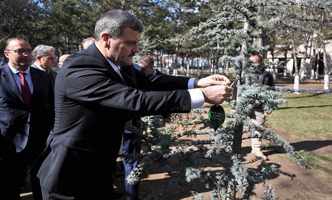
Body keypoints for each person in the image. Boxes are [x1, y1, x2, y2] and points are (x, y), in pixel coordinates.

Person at [37, 9, 232, 200]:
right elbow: (135, 99)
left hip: (101, 167)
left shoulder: (121, 63)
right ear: (106, 39)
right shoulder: (79, 67)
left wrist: (197, 83)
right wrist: (202, 96)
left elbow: (151, 82)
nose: (137, 49)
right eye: (131, 42)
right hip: (71, 172)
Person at [0, 38, 55, 200]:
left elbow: (52, 105)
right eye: (20, 51)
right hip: (9, 142)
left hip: (41, 140)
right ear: (7, 53)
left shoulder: (44, 76)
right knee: (9, 186)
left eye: (29, 50)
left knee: (43, 184)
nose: (26, 54)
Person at [231, 55, 274, 160]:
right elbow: (235, 90)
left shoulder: (267, 75)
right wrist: (234, 106)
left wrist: (270, 105)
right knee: (237, 127)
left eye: (256, 63)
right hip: (243, 106)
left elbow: (271, 90)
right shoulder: (242, 74)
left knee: (258, 128)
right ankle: (235, 150)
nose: (253, 65)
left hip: (258, 107)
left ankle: (256, 149)